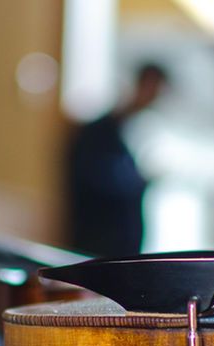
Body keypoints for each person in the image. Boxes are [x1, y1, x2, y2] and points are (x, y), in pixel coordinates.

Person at [66, 63, 168, 258]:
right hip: (97, 247)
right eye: (153, 92)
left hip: (119, 249)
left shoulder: (124, 134)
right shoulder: (97, 135)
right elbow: (96, 183)